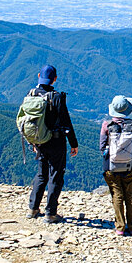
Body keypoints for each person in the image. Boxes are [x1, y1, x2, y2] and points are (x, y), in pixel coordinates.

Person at [26, 65, 78, 223]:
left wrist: (33, 141)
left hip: (39, 141)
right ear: (55, 79)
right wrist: (73, 144)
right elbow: (66, 122)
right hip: (56, 142)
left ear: (39, 75)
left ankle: (33, 209)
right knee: (55, 176)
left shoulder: (32, 94)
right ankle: (50, 213)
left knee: (41, 174)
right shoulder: (56, 97)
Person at [100, 95, 132, 236]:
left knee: (117, 195)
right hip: (129, 167)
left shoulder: (107, 125)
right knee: (130, 195)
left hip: (111, 167)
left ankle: (120, 227)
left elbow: (101, 147)